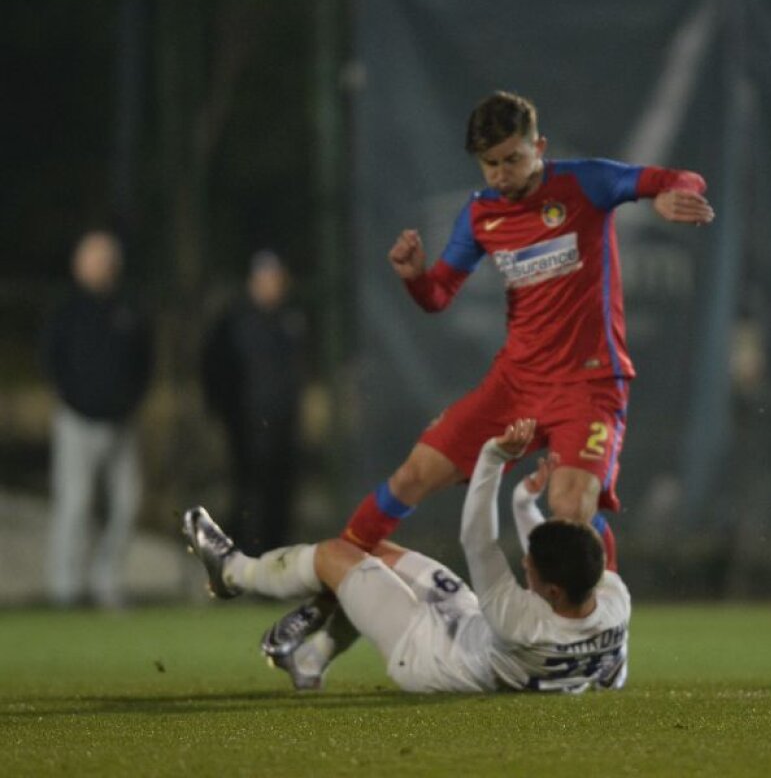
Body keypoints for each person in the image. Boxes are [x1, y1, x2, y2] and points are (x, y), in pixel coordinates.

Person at [341, 90, 715, 568]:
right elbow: (437, 296)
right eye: (490, 164)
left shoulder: (586, 182)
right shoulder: (480, 215)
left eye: (512, 159)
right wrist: (415, 277)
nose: (501, 174)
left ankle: (602, 612)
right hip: (515, 385)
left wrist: (669, 194)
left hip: (589, 384)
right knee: (412, 476)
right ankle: (336, 576)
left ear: (538, 147)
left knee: (569, 509)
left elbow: (681, 177)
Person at [182, 418, 630, 693]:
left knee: (336, 557)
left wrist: (492, 457)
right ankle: (309, 662)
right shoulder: (608, 605)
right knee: (366, 554)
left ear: (552, 592)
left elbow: (477, 539)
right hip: (473, 628)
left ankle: (233, 572)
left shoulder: (522, 621)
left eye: (529, 570)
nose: (524, 566)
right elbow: (609, 665)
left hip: (430, 656)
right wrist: (523, 503)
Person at [42, 230, 154, 608]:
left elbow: (144, 362)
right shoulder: (67, 311)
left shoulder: (128, 308)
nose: (100, 267)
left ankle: (107, 582)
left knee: (127, 504)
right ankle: (65, 589)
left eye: (106, 260)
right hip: (77, 421)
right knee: (74, 504)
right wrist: (74, 400)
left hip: (122, 422)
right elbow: (52, 362)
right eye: (93, 259)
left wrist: (130, 401)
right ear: (78, 265)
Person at [200, 250, 306, 554]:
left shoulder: (290, 319)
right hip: (246, 424)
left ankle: (275, 559)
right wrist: (225, 412)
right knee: (247, 496)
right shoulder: (234, 321)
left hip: (282, 423)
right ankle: (242, 559)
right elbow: (214, 369)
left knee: (280, 497)